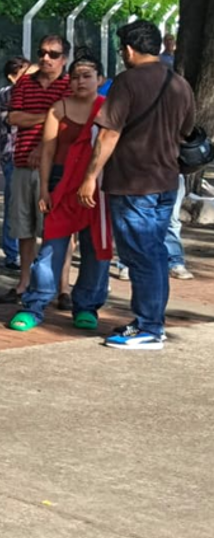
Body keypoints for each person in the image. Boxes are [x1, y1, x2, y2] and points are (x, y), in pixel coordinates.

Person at [79, 20, 195, 350]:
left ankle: (149, 326)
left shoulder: (126, 82)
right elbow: (186, 131)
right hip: (167, 180)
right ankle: (150, 321)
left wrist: (89, 177)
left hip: (132, 183)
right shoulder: (179, 83)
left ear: (129, 49)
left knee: (141, 256)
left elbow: (109, 133)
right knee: (155, 253)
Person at [8, 56, 112, 333]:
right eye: (76, 76)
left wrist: (93, 180)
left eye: (87, 76)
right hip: (60, 182)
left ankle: (87, 306)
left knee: (94, 249)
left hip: (97, 187)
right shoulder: (58, 109)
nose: (80, 81)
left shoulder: (107, 110)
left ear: (100, 80)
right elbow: (48, 151)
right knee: (51, 247)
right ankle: (34, 305)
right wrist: (44, 187)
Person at [0, 35, 71, 304]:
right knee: (24, 226)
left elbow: (70, 123)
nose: (46, 58)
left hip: (55, 166)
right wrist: (50, 116)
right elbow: (14, 117)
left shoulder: (69, 85)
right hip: (21, 162)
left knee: (57, 229)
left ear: (64, 59)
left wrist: (44, 142)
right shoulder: (25, 83)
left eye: (53, 54)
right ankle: (24, 283)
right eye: (42, 52)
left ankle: (62, 287)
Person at [0, 57, 35, 271]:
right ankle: (12, 253)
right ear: (13, 76)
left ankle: (24, 252)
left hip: (33, 154)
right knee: (14, 204)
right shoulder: (8, 93)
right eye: (25, 73)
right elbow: (15, 118)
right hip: (13, 155)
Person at [167, 175, 194, 280]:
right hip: (138, 174)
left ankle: (175, 262)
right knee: (134, 222)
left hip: (171, 174)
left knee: (172, 221)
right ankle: (127, 264)